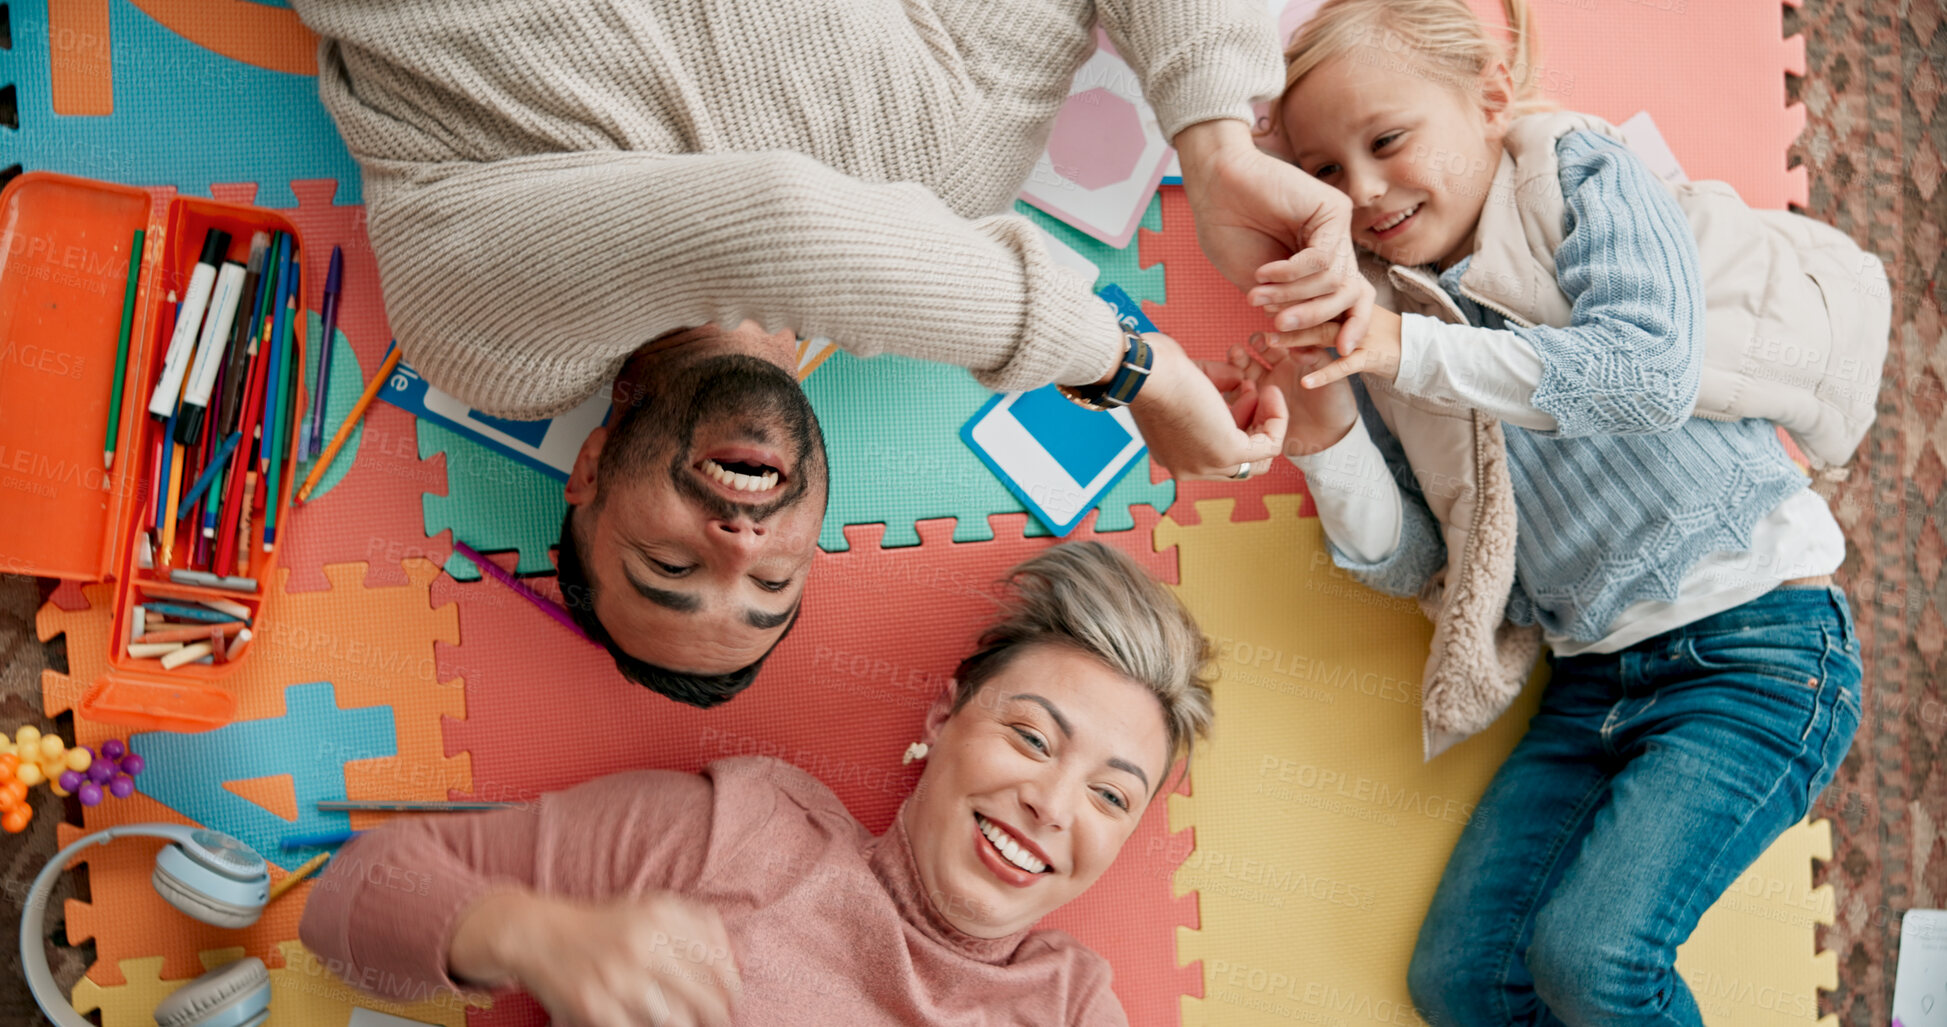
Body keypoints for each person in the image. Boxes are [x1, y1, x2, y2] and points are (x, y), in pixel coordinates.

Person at [286, 0, 1375, 705]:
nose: (738, 541)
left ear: (589, 472)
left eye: (671, 567)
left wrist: (1134, 369)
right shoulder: (956, 170)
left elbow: (771, 226)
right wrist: (1217, 142)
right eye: (775, 577)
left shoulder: (490, 345)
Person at [1219, 0, 1886, 1020]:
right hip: (1590, 682)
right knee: (1464, 981)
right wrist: (1324, 432)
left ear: (1489, 96)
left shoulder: (1574, 171)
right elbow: (1422, 560)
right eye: (1324, 171)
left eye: (1387, 141)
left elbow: (1647, 371)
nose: (1363, 190)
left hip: (1758, 650)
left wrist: (1403, 350)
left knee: (1593, 959)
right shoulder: (1382, 314)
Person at [297, 542, 1214, 1026]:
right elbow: (346, 899)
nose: (1052, 804)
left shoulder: (1068, 1008)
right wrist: (533, 934)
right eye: (1030, 737)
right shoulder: (740, 833)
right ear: (942, 721)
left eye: (1110, 796)